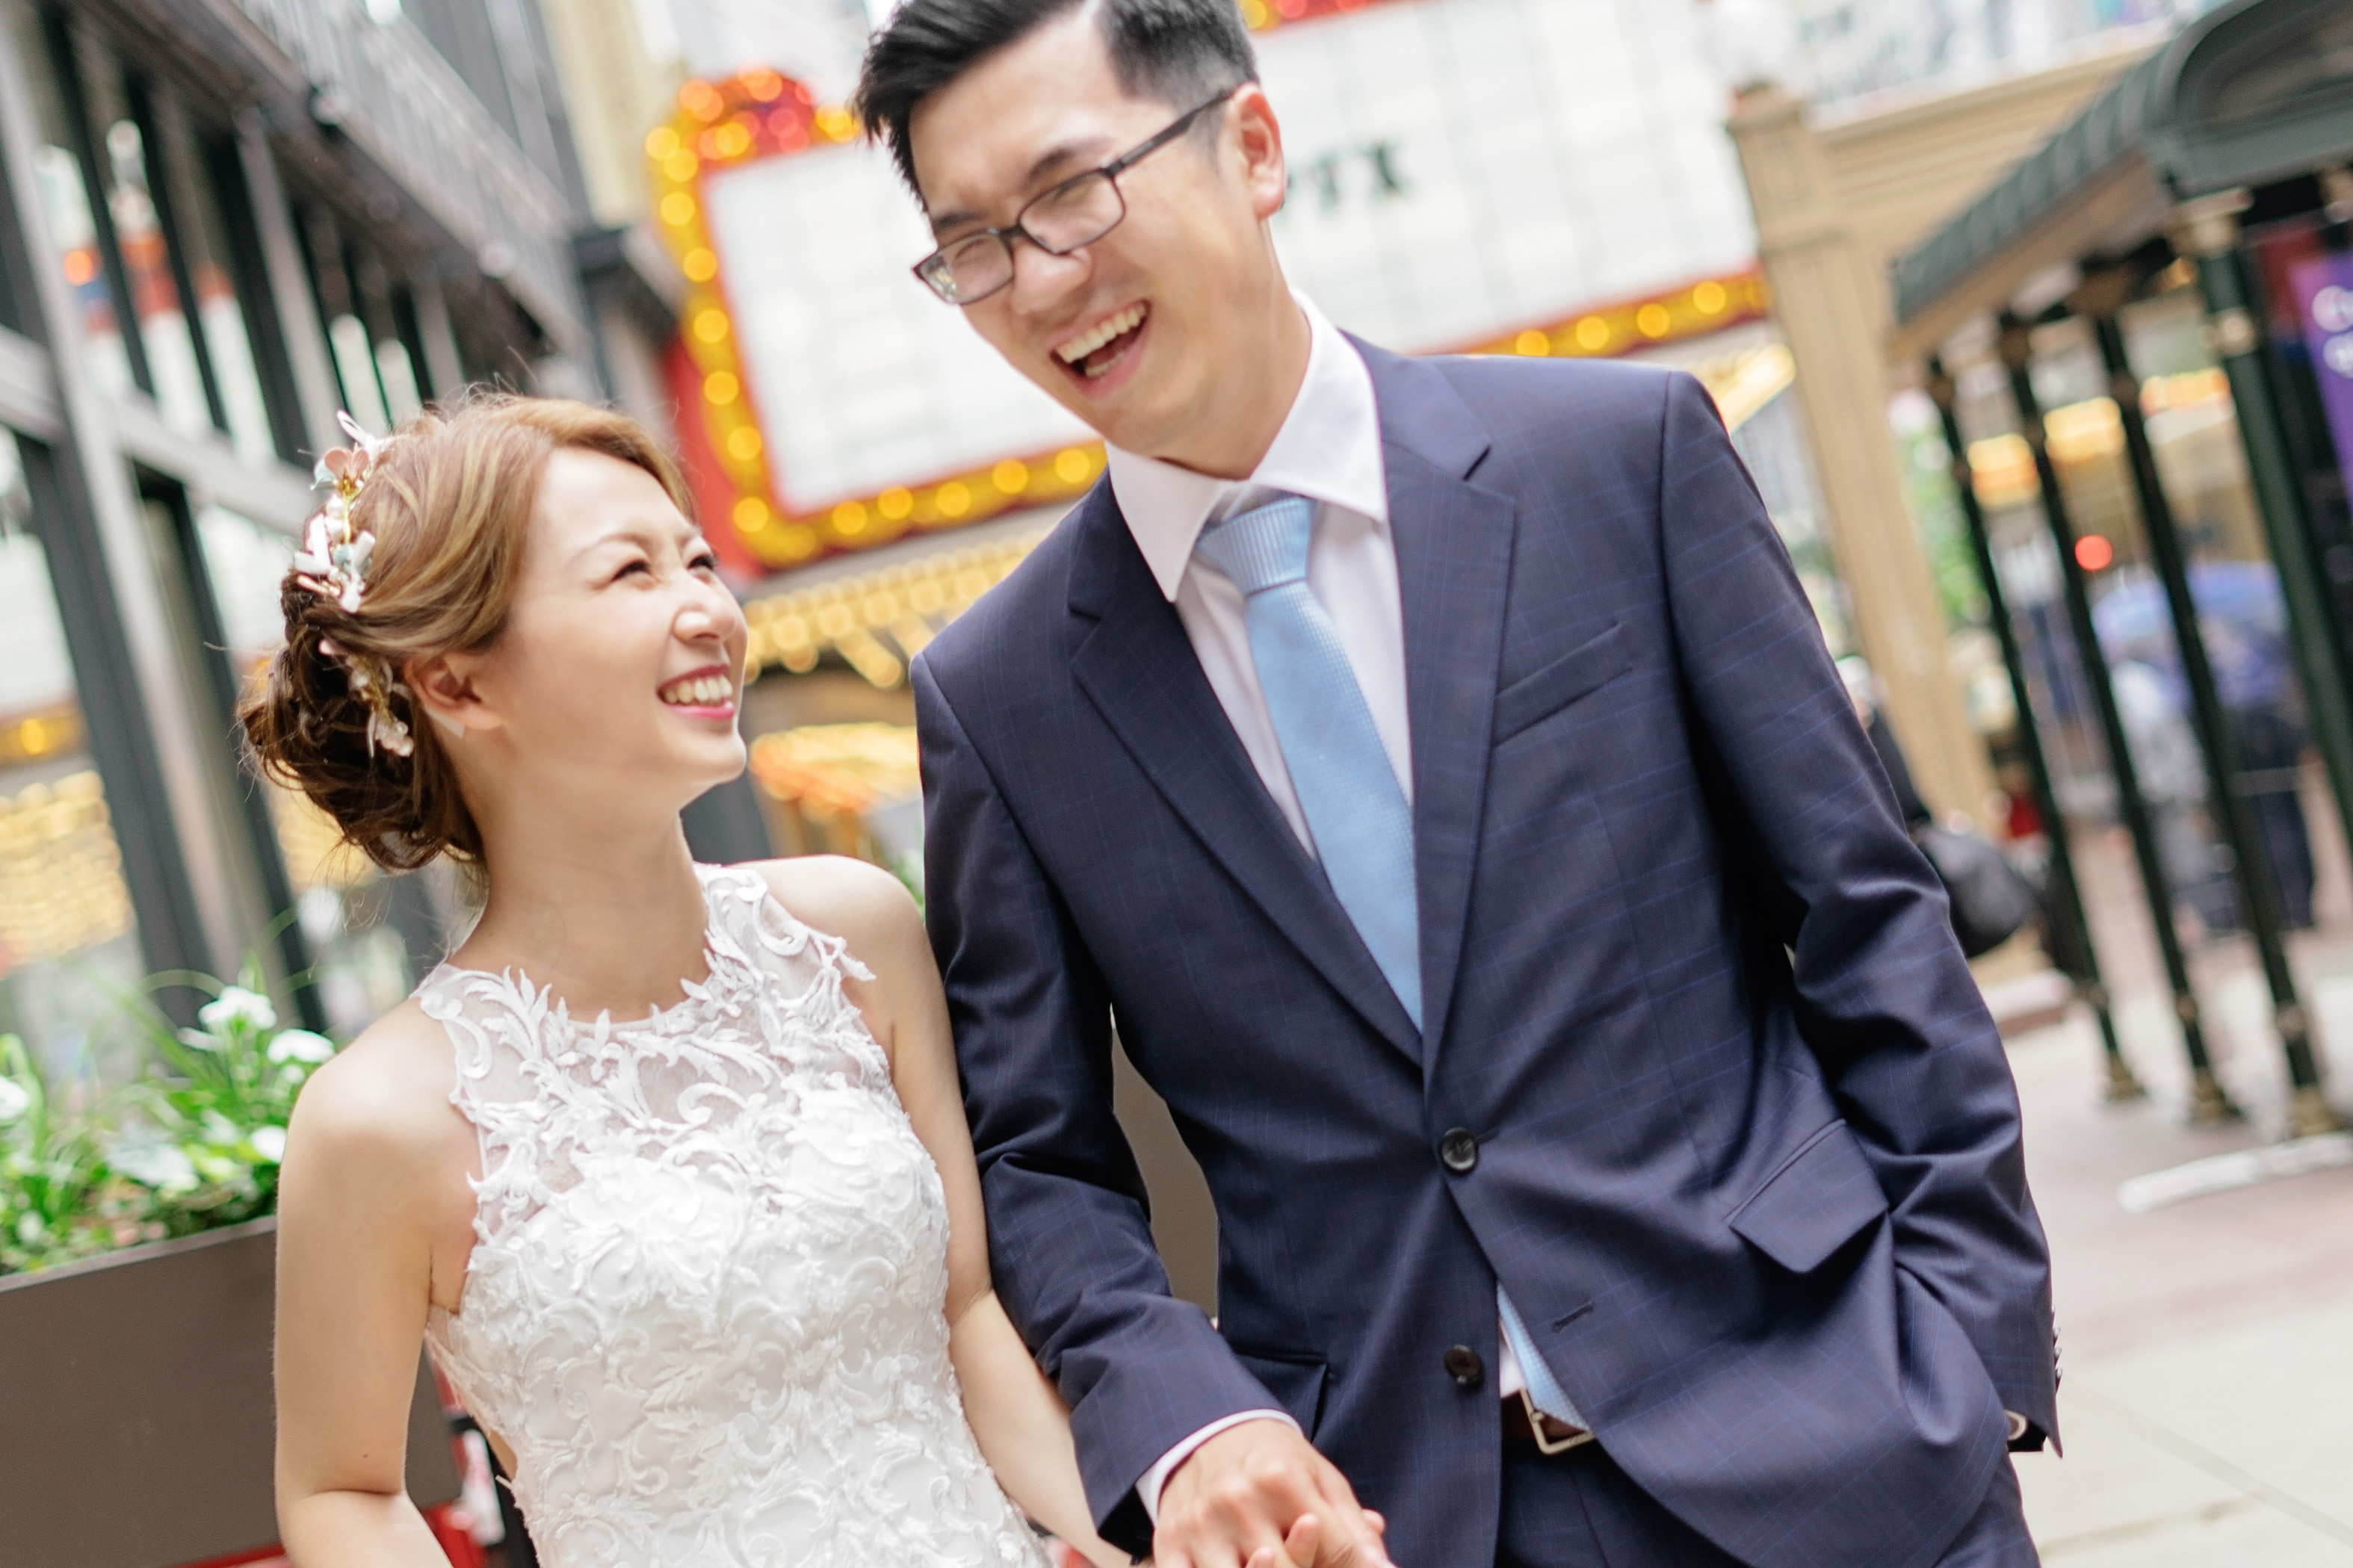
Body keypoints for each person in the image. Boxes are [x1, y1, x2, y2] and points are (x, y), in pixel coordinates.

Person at [853, 3, 2057, 1566]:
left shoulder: (1619, 461)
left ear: (1253, 147)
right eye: (974, 246)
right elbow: (1038, 1159)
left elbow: (1867, 918)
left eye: (1070, 193)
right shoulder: (1001, 695)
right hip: (1399, 1518)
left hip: (1840, 1438)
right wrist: (1184, 1417)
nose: (1038, 282)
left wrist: (1971, 1353)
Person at [253, 397, 1175, 1568]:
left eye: (696, 561)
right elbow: (341, 1489)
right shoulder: (376, 1119)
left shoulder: (855, 935)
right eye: (629, 573)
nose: (707, 611)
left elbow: (965, 1316)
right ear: (456, 685)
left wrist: (1153, 1540)